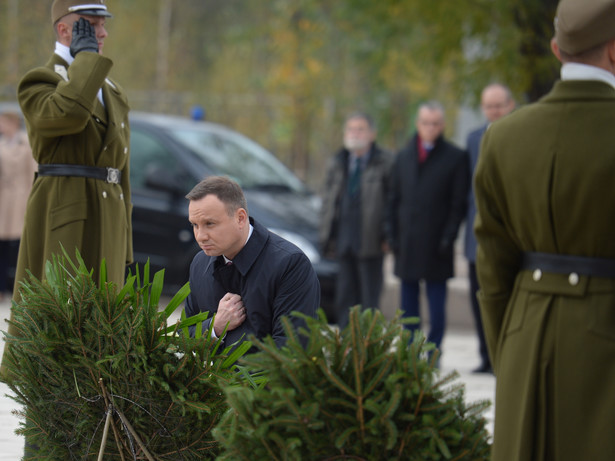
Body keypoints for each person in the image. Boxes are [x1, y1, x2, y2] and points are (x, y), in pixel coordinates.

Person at [473, 0, 615, 459]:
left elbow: (492, 270)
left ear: (556, 49)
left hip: (525, 338)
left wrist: (510, 353)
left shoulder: (503, 136)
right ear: (613, 52)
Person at [1, 0, 131, 378]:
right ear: (65, 30)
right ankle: (44, 435)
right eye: (92, 25)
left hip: (108, 214)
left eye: (103, 24)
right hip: (66, 213)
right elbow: (68, 114)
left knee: (102, 341)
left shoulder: (111, 88)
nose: (102, 33)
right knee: (58, 331)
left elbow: (120, 167)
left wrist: (125, 241)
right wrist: (85, 59)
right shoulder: (40, 80)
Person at [184, 176, 320, 350]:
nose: (200, 236)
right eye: (195, 225)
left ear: (241, 218)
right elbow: (183, 338)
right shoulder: (199, 263)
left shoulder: (290, 264)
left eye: (210, 224)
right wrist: (215, 327)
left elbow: (292, 349)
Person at [387, 101, 469, 358]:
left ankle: (433, 350)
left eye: (435, 123)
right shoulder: (403, 156)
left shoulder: (456, 157)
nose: (430, 128)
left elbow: (458, 204)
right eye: (425, 122)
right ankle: (410, 349)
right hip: (408, 242)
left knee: (436, 303)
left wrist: (449, 237)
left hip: (437, 244)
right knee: (408, 301)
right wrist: (392, 235)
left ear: (442, 125)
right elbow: (393, 199)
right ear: (417, 124)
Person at [319, 112, 393, 327]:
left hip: (371, 240)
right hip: (343, 240)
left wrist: (388, 235)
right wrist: (326, 235)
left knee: (369, 298)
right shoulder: (338, 161)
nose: (354, 134)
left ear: (372, 133)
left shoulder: (385, 162)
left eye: (360, 129)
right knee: (344, 297)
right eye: (350, 129)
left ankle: (367, 346)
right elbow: (328, 201)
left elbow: (392, 202)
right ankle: (344, 345)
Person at [464, 84, 515, 373]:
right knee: (477, 297)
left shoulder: (521, 134)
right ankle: (486, 356)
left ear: (511, 105)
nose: (493, 111)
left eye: (499, 105)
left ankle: (505, 358)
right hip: (475, 235)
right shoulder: (473, 139)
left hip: (510, 233)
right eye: (489, 106)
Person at [0, 112, 37, 301]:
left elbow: (33, 173)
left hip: (22, 199)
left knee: (20, 244)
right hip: (4, 200)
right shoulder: (2, 144)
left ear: (13, 123)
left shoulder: (26, 144)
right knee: (3, 244)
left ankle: (19, 287)